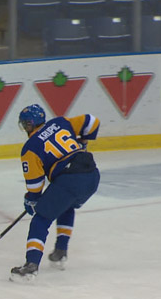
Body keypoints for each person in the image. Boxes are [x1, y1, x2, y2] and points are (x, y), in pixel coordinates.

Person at [9, 104, 100, 282]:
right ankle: (60, 252)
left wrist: (32, 200)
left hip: (69, 180)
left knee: (40, 220)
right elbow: (92, 122)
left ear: (28, 125)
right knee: (66, 205)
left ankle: (31, 266)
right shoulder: (61, 122)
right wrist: (83, 143)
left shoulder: (30, 148)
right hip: (92, 176)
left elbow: (35, 184)